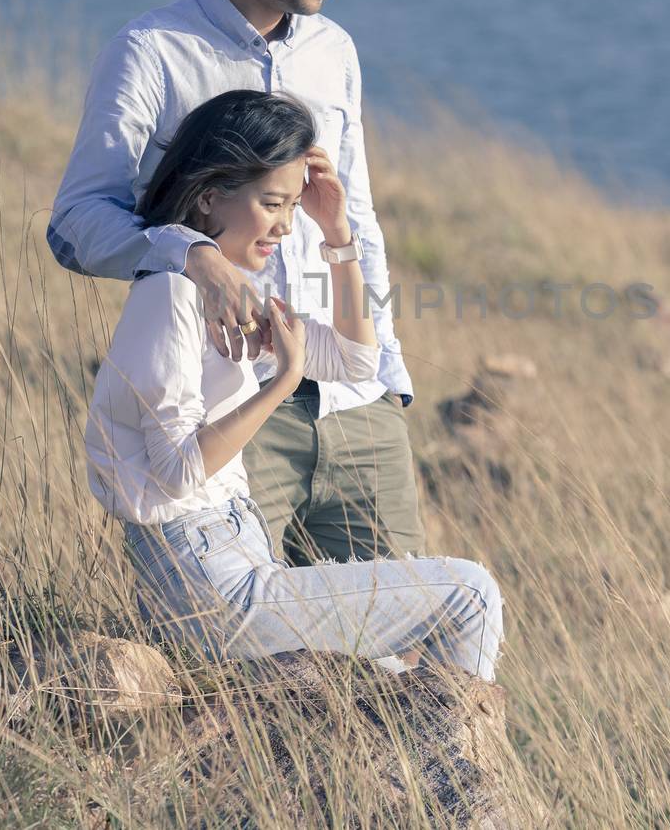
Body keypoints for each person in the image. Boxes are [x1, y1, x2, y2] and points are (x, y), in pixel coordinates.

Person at [49, 0, 424, 568]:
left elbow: (360, 220)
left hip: (356, 403)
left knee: (397, 659)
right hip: (232, 411)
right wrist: (192, 257)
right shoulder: (150, 51)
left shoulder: (335, 52)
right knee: (254, 664)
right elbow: (75, 224)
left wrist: (390, 377)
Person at [85, 90, 501, 680]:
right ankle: (458, 770)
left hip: (232, 563)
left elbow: (359, 363)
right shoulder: (170, 294)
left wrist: (336, 233)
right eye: (271, 203)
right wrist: (281, 383)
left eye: (290, 205)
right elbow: (176, 472)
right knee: (471, 594)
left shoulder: (236, 301)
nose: (284, 225)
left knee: (384, 671)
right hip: (212, 584)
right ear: (209, 197)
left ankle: (436, 762)